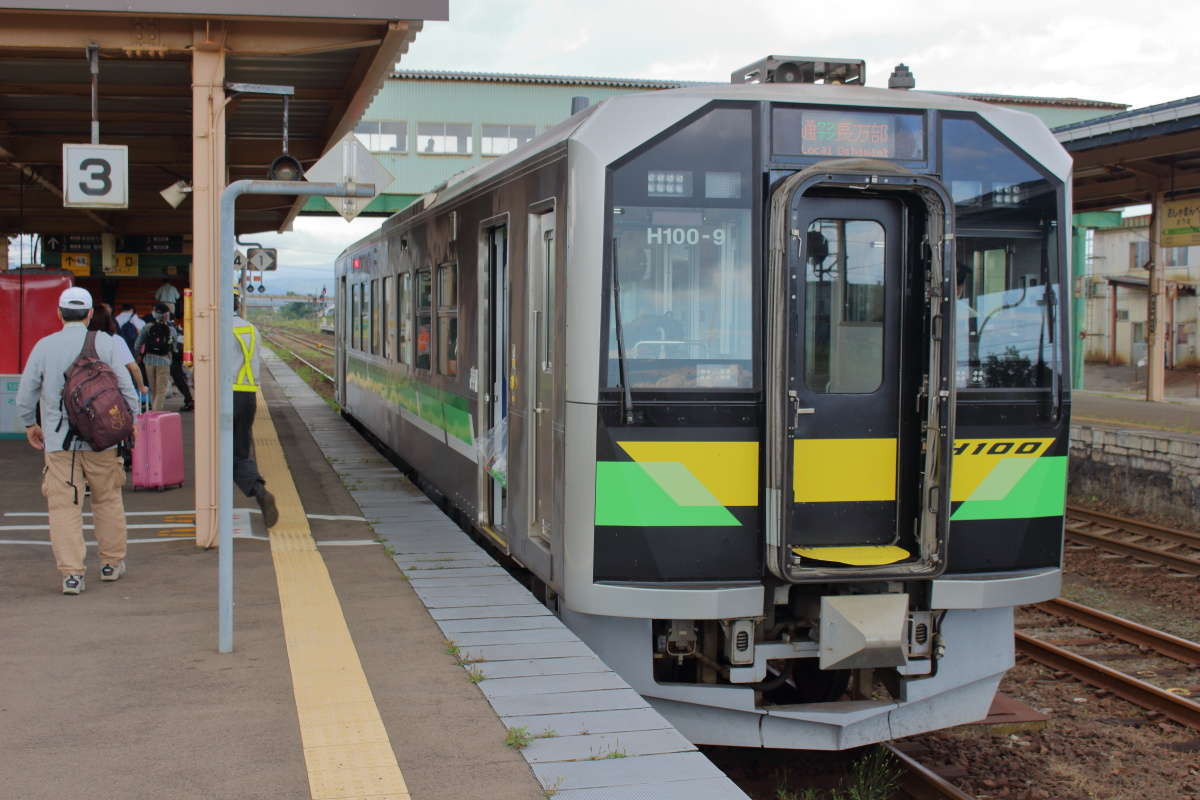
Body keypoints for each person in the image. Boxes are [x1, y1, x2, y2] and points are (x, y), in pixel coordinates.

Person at [15, 287, 139, 594]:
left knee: (64, 508)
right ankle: (110, 564)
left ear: (58, 314)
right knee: (108, 500)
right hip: (103, 441)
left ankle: (72, 574)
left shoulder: (44, 346)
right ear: (88, 315)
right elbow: (127, 391)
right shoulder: (108, 344)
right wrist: (129, 424)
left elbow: (25, 393)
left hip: (59, 444)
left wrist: (31, 424)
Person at [232, 286, 278, 528]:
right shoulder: (251, 329)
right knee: (239, 449)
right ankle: (259, 490)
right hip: (247, 396)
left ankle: (257, 490)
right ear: (238, 304)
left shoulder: (216, 329)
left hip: (224, 395)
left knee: (218, 452)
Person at [89, 302, 150, 407]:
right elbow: (133, 367)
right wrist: (141, 387)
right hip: (112, 393)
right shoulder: (115, 340)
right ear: (108, 320)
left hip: (88, 394)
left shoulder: (82, 339)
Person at [134, 302, 178, 411]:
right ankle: (155, 415)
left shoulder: (148, 327)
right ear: (166, 315)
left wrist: (138, 356)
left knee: (153, 389)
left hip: (148, 360)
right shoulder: (171, 329)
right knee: (161, 391)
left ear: (155, 314)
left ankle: (153, 413)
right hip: (164, 361)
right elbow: (175, 346)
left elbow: (137, 344)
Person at [169, 317, 194, 412]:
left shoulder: (172, 328)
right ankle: (189, 400)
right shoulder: (177, 328)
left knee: (179, 378)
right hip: (180, 355)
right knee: (182, 379)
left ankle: (189, 400)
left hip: (175, 356)